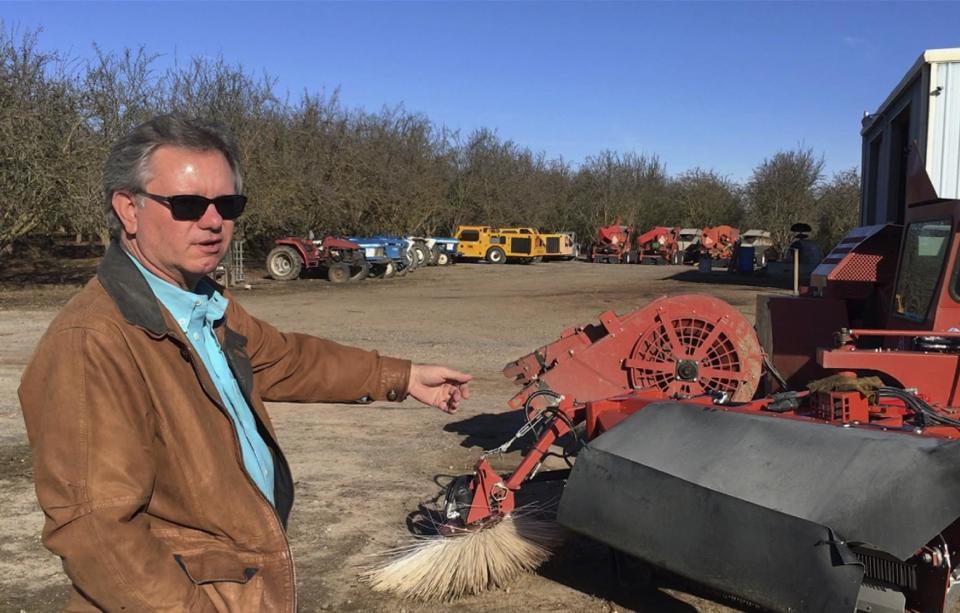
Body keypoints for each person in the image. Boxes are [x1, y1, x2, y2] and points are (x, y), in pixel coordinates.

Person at [18, 114, 472, 612]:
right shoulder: (92, 342)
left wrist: (402, 377)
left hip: (239, 587)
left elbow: (286, 359)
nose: (213, 222)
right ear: (129, 209)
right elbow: (95, 532)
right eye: (188, 205)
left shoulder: (201, 303)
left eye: (227, 204)